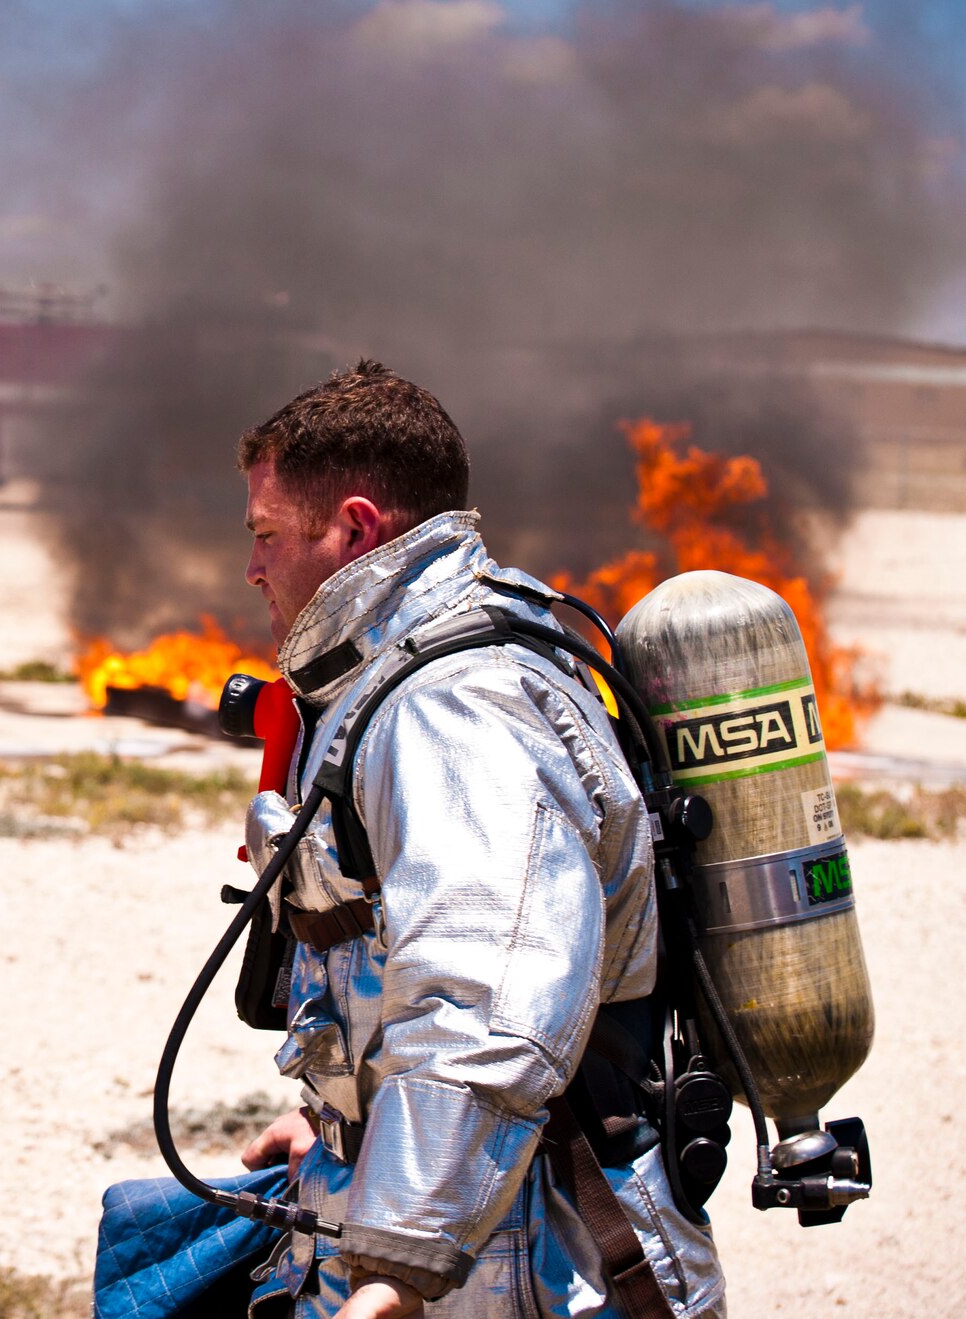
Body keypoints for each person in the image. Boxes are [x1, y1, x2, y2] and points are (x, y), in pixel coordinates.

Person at [230, 361, 726, 1318]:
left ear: (357, 529)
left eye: (265, 535)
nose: (251, 569)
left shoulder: (457, 704)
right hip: (478, 1234)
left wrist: (396, 1266)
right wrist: (346, 1134)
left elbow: (483, 998)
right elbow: (392, 971)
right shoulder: (405, 672)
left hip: (529, 1265)